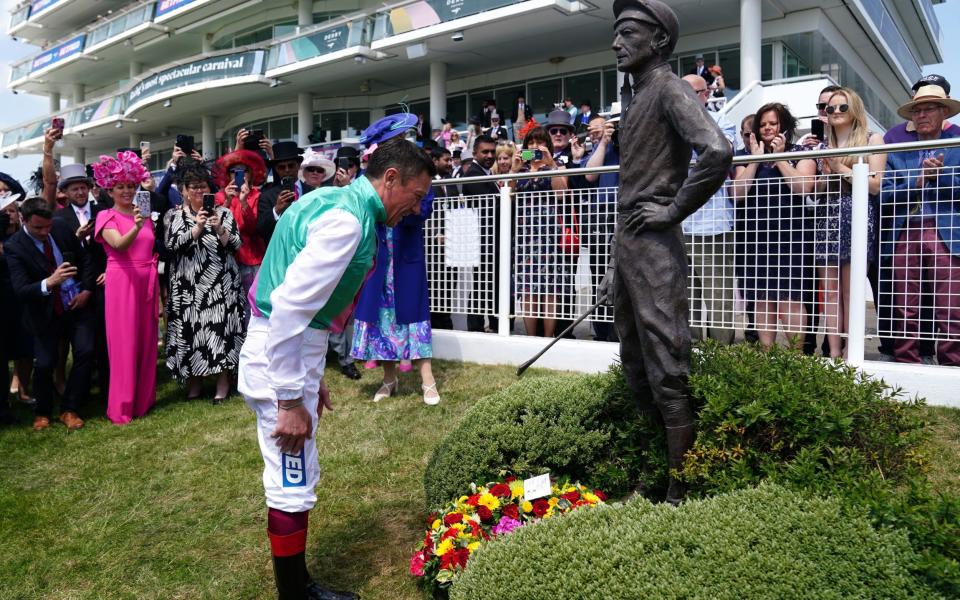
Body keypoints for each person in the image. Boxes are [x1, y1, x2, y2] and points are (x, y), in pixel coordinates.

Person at [238, 129, 434, 600]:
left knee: (297, 474)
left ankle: (299, 583)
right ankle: (295, 594)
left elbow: (304, 309)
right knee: (291, 483)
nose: (416, 206)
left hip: (289, 349)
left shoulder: (331, 201)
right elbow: (288, 308)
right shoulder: (348, 221)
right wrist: (290, 396)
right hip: (279, 351)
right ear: (391, 178)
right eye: (416, 195)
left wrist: (311, 376)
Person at [601, 0, 731, 505]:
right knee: (634, 361)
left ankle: (682, 488)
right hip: (630, 244)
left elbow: (717, 151)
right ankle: (653, 470)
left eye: (628, 32)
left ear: (657, 41)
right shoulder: (636, 98)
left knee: (666, 365)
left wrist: (673, 210)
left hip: (656, 245)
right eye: (616, 32)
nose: (616, 42)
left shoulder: (670, 88)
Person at [352, 120, 440, 405]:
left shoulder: (418, 173)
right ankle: (389, 379)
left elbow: (423, 209)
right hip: (379, 259)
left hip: (405, 258)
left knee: (415, 316)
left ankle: (428, 380)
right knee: (381, 317)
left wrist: (402, 205)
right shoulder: (373, 175)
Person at [881, 83, 960, 365]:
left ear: (943, 112)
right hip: (907, 231)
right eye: (917, 110)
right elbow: (885, 194)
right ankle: (906, 361)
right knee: (905, 304)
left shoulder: (957, 146)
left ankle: (952, 364)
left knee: (950, 305)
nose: (921, 115)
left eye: (928, 109)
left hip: (947, 233)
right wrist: (917, 179)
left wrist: (940, 176)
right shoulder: (898, 150)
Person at [5, 197, 95, 431]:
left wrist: (86, 289)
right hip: (44, 312)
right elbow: (21, 289)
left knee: (85, 351)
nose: (45, 231)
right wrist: (49, 282)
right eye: (38, 228)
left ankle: (70, 408)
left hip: (76, 304)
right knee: (45, 364)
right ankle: (42, 411)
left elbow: (85, 259)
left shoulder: (61, 227)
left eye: (48, 227)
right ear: (24, 221)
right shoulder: (15, 247)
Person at [730, 103, 816, 349]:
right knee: (762, 297)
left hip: (791, 237)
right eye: (763, 124)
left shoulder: (800, 152)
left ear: (784, 126)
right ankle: (767, 356)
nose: (767, 128)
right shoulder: (746, 157)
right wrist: (757, 161)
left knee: (791, 297)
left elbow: (803, 187)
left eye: (773, 123)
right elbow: (737, 193)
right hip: (755, 237)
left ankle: (795, 356)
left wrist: (778, 159)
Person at [812, 87, 885, 358]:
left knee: (851, 291)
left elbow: (876, 185)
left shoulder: (871, 139)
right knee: (830, 293)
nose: (835, 113)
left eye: (842, 107)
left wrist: (840, 168)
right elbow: (816, 190)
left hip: (856, 215)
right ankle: (832, 351)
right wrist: (823, 175)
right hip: (826, 216)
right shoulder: (824, 146)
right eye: (830, 109)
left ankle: (850, 353)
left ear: (854, 109)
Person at [165, 162, 244, 403]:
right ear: (184, 190)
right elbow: (171, 246)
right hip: (188, 286)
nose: (199, 191)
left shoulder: (225, 213)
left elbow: (236, 246)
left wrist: (218, 228)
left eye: (203, 187)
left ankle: (223, 383)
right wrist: (196, 228)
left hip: (221, 284)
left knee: (220, 332)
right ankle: (195, 383)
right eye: (194, 187)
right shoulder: (173, 216)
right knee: (191, 333)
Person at [91, 151, 160, 424]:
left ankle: (143, 402)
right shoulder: (105, 216)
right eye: (121, 186)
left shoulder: (144, 214)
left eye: (131, 186)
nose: (127, 191)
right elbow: (119, 245)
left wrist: (142, 221)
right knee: (124, 344)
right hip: (123, 282)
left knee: (146, 341)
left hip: (147, 279)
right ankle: (121, 407)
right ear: (110, 190)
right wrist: (137, 226)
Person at [681, 74, 737, 345]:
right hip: (677, 223)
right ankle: (687, 356)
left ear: (705, 95)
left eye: (691, 91)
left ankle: (720, 359)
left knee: (718, 297)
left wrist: (694, 122)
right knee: (683, 297)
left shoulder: (722, 120)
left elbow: (721, 152)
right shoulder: (669, 123)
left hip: (711, 224)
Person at [511, 126, 567, 337]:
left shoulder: (558, 166)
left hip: (548, 235)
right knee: (527, 289)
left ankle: (547, 337)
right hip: (525, 235)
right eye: (531, 143)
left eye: (540, 142)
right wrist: (514, 170)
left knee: (549, 289)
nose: (535, 147)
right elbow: (507, 192)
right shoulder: (522, 169)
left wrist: (550, 164)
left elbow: (561, 194)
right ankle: (531, 338)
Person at [214, 149, 269, 326]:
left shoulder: (257, 195)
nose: (239, 174)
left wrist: (244, 201)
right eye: (234, 171)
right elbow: (215, 225)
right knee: (229, 303)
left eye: (244, 170)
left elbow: (254, 229)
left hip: (252, 257)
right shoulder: (220, 196)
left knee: (253, 305)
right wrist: (228, 202)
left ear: (250, 173)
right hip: (227, 258)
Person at [583, 114, 620, 342]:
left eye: (603, 129)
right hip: (601, 214)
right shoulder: (597, 149)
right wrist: (604, 142)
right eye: (594, 130)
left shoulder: (630, 142)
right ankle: (601, 331)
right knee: (599, 274)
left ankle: (621, 330)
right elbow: (589, 174)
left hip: (625, 209)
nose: (597, 133)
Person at [257, 142, 307, 245]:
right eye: (282, 167)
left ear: (298, 165)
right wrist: (277, 210)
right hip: (281, 251)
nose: (287, 170)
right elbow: (261, 230)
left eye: (291, 165)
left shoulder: (312, 191)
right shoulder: (266, 196)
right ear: (276, 169)